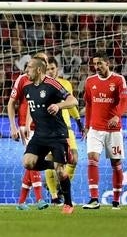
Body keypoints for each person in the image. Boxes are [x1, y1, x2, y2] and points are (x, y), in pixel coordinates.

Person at [21, 57, 78, 214]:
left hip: (57, 134)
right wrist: (26, 125)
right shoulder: (27, 87)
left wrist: (58, 105)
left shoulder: (52, 84)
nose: (26, 71)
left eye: (29, 68)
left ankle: (68, 204)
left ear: (39, 70)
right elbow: (31, 108)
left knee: (61, 173)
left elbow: (73, 101)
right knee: (28, 162)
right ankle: (54, 164)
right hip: (40, 134)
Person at [82, 51, 127, 210]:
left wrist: (117, 116)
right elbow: (89, 105)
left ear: (108, 63)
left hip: (113, 130)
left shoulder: (118, 80)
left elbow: (124, 101)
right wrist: (87, 126)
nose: (96, 67)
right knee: (92, 159)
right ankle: (94, 199)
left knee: (116, 163)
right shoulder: (89, 82)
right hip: (95, 129)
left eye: (100, 64)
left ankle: (116, 200)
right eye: (95, 64)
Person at [7, 53, 49, 210]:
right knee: (34, 162)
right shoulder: (22, 79)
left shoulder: (47, 82)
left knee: (32, 163)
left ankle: (21, 202)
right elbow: (11, 103)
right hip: (27, 128)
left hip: (42, 127)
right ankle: (39, 199)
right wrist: (13, 126)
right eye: (43, 62)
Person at [45, 57, 83, 205]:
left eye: (52, 68)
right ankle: (54, 196)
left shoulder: (65, 84)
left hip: (66, 127)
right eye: (47, 69)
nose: (50, 71)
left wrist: (79, 121)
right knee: (49, 161)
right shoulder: (40, 86)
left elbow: (71, 104)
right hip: (48, 129)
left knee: (74, 159)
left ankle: (61, 187)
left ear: (57, 69)